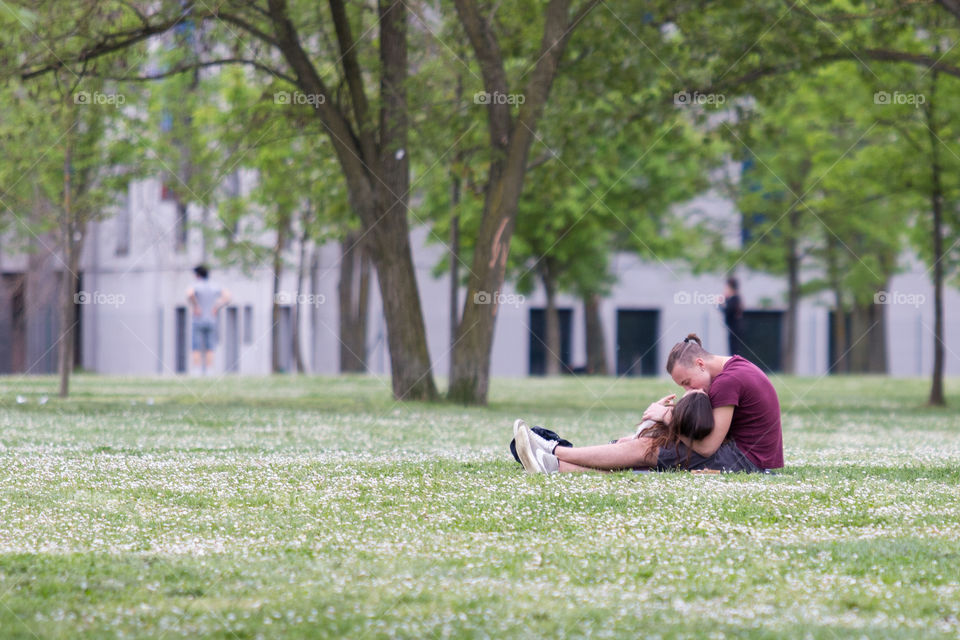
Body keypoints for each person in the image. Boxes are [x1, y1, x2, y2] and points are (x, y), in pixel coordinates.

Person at [512, 333, 782, 474]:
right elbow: (705, 431)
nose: (688, 390)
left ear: (700, 363)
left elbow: (708, 445)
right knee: (634, 447)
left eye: (687, 382)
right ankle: (553, 465)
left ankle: (554, 450)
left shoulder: (728, 381)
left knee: (646, 448)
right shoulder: (728, 370)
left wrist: (666, 417)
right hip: (742, 454)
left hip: (747, 461)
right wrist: (666, 418)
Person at [186, 265, 231, 376]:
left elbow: (189, 294)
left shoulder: (196, 285)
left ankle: (196, 370)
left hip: (198, 319)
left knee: (196, 346)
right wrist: (217, 306)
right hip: (211, 319)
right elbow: (228, 296)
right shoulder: (214, 286)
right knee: (210, 346)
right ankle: (209, 370)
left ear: (197, 275)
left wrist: (196, 306)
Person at [720, 277, 744, 356]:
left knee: (734, 350)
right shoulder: (733, 298)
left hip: (735, 329)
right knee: (733, 349)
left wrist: (721, 303)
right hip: (732, 328)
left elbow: (727, 310)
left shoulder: (735, 298)